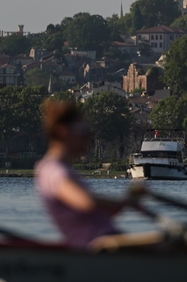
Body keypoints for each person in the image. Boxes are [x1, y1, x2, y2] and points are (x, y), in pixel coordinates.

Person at [35, 99, 142, 248]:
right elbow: (87, 202)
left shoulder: (61, 169)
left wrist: (129, 199)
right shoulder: (54, 170)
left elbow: (98, 211)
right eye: (83, 130)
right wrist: (126, 202)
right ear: (63, 131)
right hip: (97, 246)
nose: (88, 137)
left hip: (109, 242)